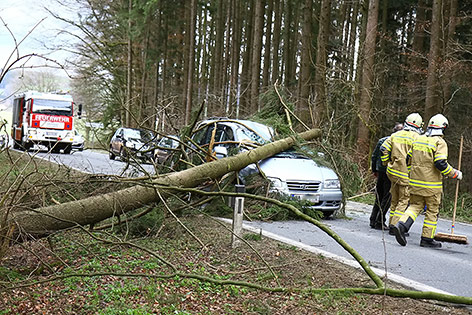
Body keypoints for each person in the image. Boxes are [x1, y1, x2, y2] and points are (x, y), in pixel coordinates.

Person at [392, 114, 463, 248]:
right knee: (432, 210)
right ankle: (426, 239)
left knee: (414, 206)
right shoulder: (439, 142)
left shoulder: (419, 139)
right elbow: (440, 164)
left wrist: (412, 173)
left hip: (414, 183)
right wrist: (455, 174)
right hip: (431, 186)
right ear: (443, 128)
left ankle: (401, 226)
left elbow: (408, 159)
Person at [380, 113, 423, 234]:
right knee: (403, 201)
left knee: (394, 200)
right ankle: (395, 226)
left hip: (392, 172)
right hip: (406, 175)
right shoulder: (417, 138)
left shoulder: (395, 135)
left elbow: (383, 148)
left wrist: (386, 162)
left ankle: (391, 223)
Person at [369, 122, 404, 230]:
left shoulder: (382, 141)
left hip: (380, 171)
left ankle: (373, 219)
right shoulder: (397, 143)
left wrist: (374, 169)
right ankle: (379, 221)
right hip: (389, 172)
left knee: (379, 196)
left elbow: (374, 157)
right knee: (387, 197)